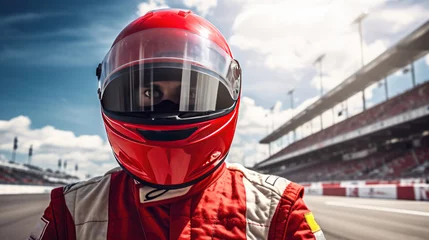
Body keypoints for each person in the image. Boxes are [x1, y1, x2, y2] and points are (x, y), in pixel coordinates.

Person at [30, 9, 325, 240]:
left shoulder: (280, 210)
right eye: (150, 93)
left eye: (191, 93)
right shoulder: (70, 210)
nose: (168, 109)